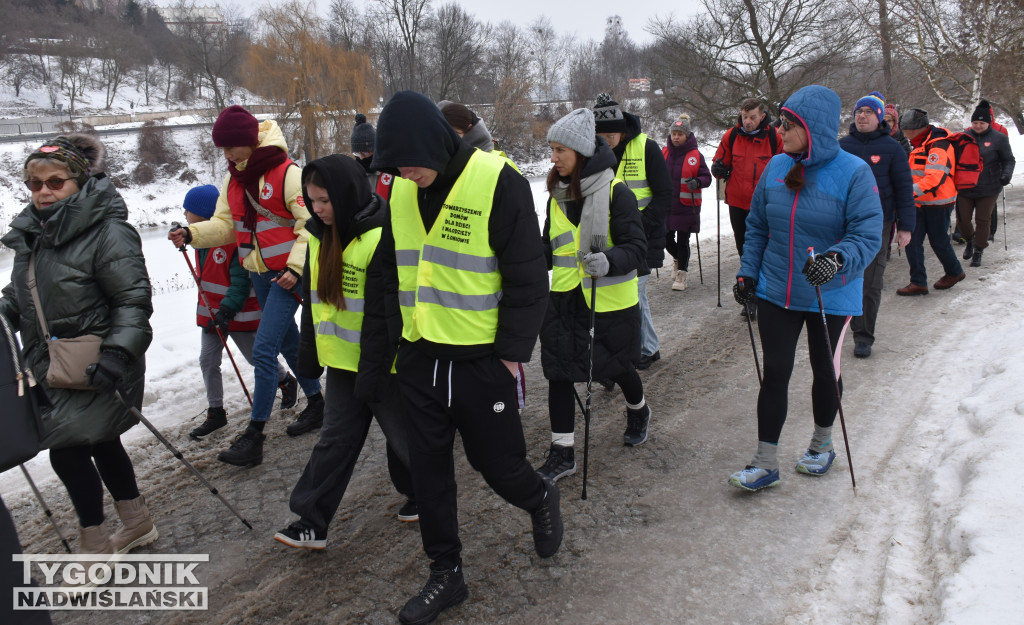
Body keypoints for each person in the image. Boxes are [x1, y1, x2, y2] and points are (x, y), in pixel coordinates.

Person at [364, 90, 561, 625]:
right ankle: (445, 573)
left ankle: (539, 498)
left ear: (434, 142)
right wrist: (389, 351)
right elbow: (388, 276)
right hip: (422, 359)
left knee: (497, 467)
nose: (405, 174)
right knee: (428, 474)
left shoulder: (498, 181)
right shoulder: (401, 192)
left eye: (410, 162)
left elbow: (528, 279)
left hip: (481, 363)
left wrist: (509, 358)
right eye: (395, 167)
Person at [0, 134, 158, 554]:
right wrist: (2, 311)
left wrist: (117, 353)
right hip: (50, 364)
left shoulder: (108, 232)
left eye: (56, 182)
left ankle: (95, 544)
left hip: (98, 362)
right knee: (102, 441)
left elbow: (133, 300)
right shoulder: (33, 234)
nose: (44, 192)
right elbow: (24, 293)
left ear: (79, 182)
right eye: (36, 184)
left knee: (67, 449)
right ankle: (137, 521)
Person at [728, 85, 882, 491]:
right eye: (781, 122)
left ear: (812, 129)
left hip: (830, 292)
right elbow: (758, 227)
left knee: (823, 370)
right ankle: (765, 462)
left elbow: (867, 235)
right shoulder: (777, 167)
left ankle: (821, 443)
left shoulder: (853, 172)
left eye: (788, 124)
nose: (780, 130)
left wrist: (836, 259)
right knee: (775, 371)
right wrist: (749, 273)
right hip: (778, 288)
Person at [274, 155, 417, 550]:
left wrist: (371, 373)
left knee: (405, 440)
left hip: (383, 365)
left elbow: (381, 320)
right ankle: (312, 521)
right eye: (311, 201)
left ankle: (431, 498)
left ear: (347, 194)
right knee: (334, 440)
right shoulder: (319, 235)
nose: (317, 209)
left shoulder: (379, 236)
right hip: (342, 363)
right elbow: (313, 300)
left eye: (324, 200)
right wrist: (309, 355)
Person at [168, 105, 324, 466]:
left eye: (231, 148)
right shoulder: (234, 179)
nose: (227, 156)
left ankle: (254, 434)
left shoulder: (288, 174)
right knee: (287, 341)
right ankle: (317, 403)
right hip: (259, 274)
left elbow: (311, 225)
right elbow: (225, 225)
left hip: (287, 278)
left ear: (250, 141)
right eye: (222, 150)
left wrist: (297, 269)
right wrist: (192, 233)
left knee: (265, 350)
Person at [535, 108, 652, 484]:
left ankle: (638, 408)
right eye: (552, 149)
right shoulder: (556, 195)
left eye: (559, 150)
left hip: (607, 301)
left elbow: (638, 248)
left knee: (617, 367)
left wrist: (609, 259)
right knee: (558, 374)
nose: (553, 158)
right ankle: (562, 452)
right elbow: (545, 247)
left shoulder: (616, 193)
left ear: (581, 151)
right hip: (564, 299)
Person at [181, 184, 296, 439]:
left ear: (203, 214)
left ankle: (285, 380)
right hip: (211, 315)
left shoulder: (233, 243)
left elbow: (240, 282)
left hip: (237, 314)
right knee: (208, 360)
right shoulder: (200, 243)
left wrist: (227, 310)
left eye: (188, 210)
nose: (185, 215)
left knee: (255, 358)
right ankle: (216, 411)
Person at [593, 93, 672, 370]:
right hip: (610, 236)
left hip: (643, 237)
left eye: (611, 134)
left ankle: (642, 349)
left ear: (622, 128)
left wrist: (639, 224)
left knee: (634, 293)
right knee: (629, 294)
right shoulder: (596, 151)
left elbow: (664, 195)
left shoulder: (646, 147)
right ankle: (645, 346)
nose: (606, 140)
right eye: (600, 135)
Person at [839, 93, 915, 358]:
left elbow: (904, 190)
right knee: (841, 275)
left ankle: (863, 335)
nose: (862, 116)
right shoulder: (842, 146)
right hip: (843, 221)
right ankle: (837, 329)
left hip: (878, 222)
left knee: (870, 280)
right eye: (859, 111)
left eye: (869, 112)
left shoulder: (892, 148)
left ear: (880, 117)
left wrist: (906, 226)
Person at [711, 98, 784, 319]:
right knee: (744, 250)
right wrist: (718, 168)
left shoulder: (774, 137)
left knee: (765, 248)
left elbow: (787, 166)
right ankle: (750, 296)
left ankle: (767, 293)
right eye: (744, 116)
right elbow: (718, 162)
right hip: (737, 202)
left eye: (752, 117)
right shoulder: (731, 136)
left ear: (762, 116)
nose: (748, 121)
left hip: (765, 204)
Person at [894, 109, 966, 295]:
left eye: (906, 129)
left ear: (918, 129)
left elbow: (935, 178)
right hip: (919, 202)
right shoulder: (919, 143)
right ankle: (918, 282)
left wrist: (907, 193)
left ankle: (954, 272)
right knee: (912, 242)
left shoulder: (939, 145)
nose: (904, 132)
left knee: (939, 241)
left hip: (938, 202)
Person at [957, 99, 1015, 267]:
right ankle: (970, 240)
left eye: (981, 123)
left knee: (983, 219)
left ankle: (978, 250)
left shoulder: (999, 138)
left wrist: (1006, 175)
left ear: (988, 123)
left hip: (989, 186)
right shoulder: (964, 137)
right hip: (965, 186)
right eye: (975, 122)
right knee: (963, 220)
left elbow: (1008, 160)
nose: (978, 126)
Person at [662, 114, 712, 292]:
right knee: (665, 238)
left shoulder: (696, 155)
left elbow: (707, 177)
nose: (676, 137)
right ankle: (677, 259)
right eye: (674, 133)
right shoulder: (664, 152)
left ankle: (682, 273)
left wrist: (698, 182)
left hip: (686, 206)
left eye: (680, 134)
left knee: (683, 240)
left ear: (687, 136)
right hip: (667, 205)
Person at [351, 112, 394, 200]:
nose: (361, 157)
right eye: (357, 153)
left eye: (365, 152)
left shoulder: (390, 170)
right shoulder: (352, 174)